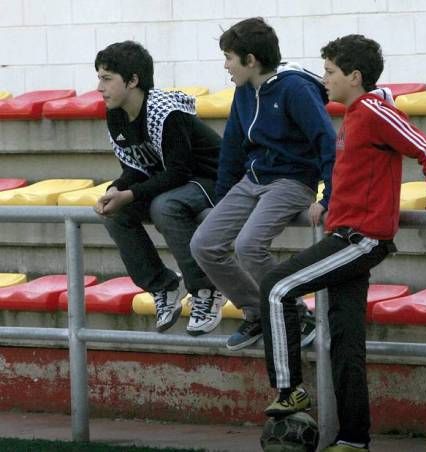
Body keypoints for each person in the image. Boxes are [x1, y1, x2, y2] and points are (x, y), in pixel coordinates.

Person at [259, 34, 426, 452]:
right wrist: (327, 203)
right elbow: (352, 175)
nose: (323, 79)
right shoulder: (352, 116)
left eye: (329, 72)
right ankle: (354, 440)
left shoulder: (376, 110)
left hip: (360, 241)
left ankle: (289, 390)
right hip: (343, 234)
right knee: (345, 344)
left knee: (277, 287)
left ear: (354, 76)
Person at [190, 18, 336, 351]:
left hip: (292, 179)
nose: (226, 65)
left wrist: (329, 196)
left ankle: (295, 314)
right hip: (253, 179)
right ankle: (257, 311)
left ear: (250, 59)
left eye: (229, 57)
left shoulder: (294, 89)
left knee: (248, 246)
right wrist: (222, 201)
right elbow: (231, 147)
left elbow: (327, 142)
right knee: (204, 243)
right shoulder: (244, 91)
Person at [94, 41, 224, 336]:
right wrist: (117, 189)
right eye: (99, 77)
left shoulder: (166, 111)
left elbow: (179, 171)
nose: (99, 87)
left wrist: (131, 193)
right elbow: (134, 168)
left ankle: (206, 290)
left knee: (164, 206)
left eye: (106, 78)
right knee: (113, 212)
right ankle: (163, 285)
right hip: (178, 182)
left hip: (216, 180)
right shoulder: (115, 113)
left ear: (133, 80)